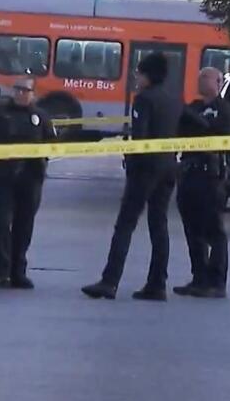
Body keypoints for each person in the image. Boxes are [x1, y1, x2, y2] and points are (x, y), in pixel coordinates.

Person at [82, 53, 182, 301]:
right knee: (159, 225)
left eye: (139, 73)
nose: (136, 78)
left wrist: (132, 161)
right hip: (168, 167)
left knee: (125, 224)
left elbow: (140, 136)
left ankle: (110, 281)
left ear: (148, 75)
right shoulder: (174, 100)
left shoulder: (143, 100)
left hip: (145, 171)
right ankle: (158, 283)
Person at [0, 77, 56, 289]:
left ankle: (18, 272)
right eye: (18, 89)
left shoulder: (40, 116)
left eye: (26, 90)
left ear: (33, 94)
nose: (21, 94)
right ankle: (0, 272)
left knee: (24, 226)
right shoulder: (0, 112)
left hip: (30, 178)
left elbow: (53, 144)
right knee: (2, 224)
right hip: (3, 177)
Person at [174, 67, 230, 299]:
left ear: (218, 82)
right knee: (192, 229)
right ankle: (198, 278)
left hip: (210, 175)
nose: (199, 81)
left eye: (204, 78)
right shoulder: (194, 107)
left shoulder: (224, 109)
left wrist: (199, 127)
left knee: (214, 230)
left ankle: (216, 281)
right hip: (189, 172)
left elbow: (219, 133)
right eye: (198, 77)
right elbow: (181, 131)